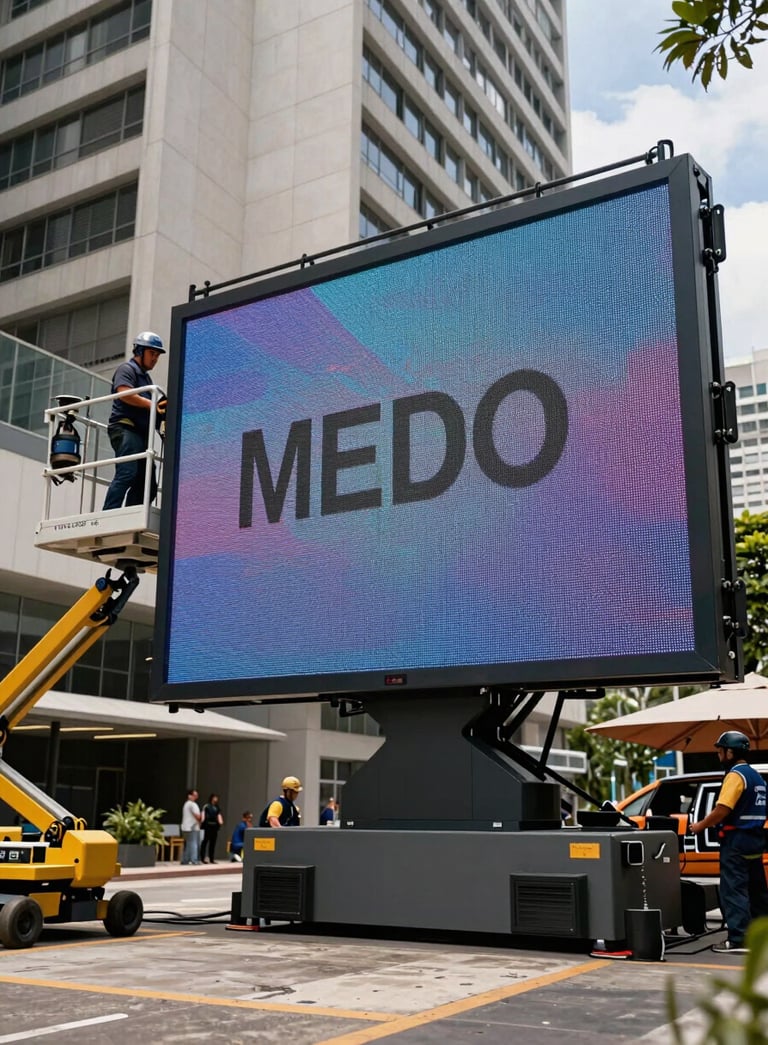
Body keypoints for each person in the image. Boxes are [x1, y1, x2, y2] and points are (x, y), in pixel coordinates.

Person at [690, 730, 768, 953]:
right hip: (755, 840)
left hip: (736, 841)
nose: (718, 755)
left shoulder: (735, 776)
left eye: (720, 751)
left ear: (730, 752)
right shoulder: (757, 777)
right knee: (757, 891)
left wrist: (700, 826)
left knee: (734, 890)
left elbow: (722, 809)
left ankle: (738, 940)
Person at [103, 331, 167, 510]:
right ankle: (109, 514)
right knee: (127, 473)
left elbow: (152, 410)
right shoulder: (127, 369)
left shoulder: (146, 379)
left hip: (140, 434)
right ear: (139, 351)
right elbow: (124, 393)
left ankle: (131, 514)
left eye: (157, 355)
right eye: (152, 353)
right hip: (125, 428)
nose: (155, 358)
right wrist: (152, 404)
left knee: (148, 484)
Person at [180, 787, 202, 865]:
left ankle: (185, 860)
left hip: (185, 827)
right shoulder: (192, 804)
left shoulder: (186, 804)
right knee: (193, 843)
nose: (196, 797)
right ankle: (194, 859)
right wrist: (201, 818)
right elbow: (198, 816)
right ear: (189, 796)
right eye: (194, 795)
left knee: (188, 844)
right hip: (192, 827)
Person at [201, 793, 224, 864]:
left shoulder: (217, 807)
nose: (216, 799)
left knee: (213, 843)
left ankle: (211, 858)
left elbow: (219, 815)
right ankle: (202, 858)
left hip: (215, 826)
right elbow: (203, 815)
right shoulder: (207, 806)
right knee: (205, 842)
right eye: (215, 797)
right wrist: (202, 821)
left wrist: (220, 821)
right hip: (208, 826)